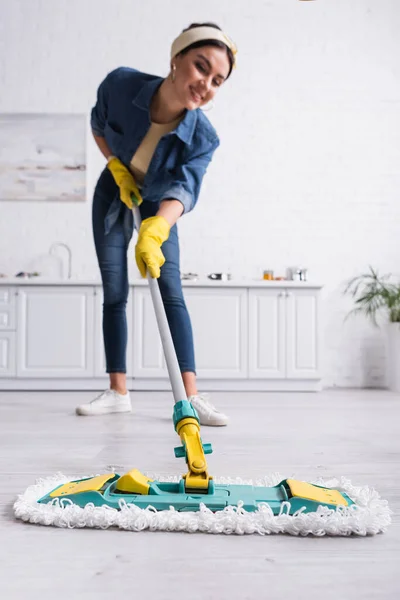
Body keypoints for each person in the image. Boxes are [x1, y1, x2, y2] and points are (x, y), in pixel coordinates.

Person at [75, 23, 237, 426]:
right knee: (115, 292)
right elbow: (99, 125)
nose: (206, 85)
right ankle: (117, 391)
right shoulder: (121, 85)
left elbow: (184, 188)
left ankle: (190, 396)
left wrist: (157, 228)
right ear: (176, 58)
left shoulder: (204, 137)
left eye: (218, 81)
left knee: (170, 292)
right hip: (115, 192)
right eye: (201, 67)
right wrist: (116, 166)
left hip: (161, 205)